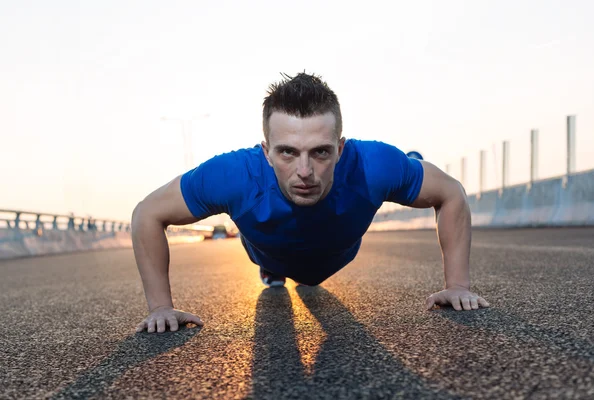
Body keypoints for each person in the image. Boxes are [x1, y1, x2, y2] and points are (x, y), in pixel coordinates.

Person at [132, 72, 490, 334]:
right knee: (271, 263)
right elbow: (147, 214)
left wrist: (458, 285)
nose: (305, 172)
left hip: (337, 249)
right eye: (287, 152)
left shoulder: (374, 165)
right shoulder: (232, 175)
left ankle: (412, 162)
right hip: (266, 251)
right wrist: (161, 307)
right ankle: (273, 272)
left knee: (408, 169)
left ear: (341, 148)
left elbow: (451, 193)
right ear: (266, 153)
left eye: (320, 152)